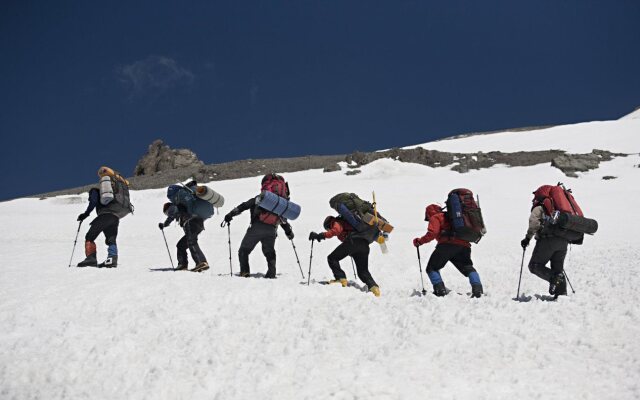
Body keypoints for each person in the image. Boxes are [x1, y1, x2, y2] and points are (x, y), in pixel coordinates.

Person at [223, 174, 294, 278]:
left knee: (244, 250)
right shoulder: (280, 204)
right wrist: (289, 232)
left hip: (256, 227)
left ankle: (245, 272)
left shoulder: (259, 199)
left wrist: (230, 215)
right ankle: (271, 273)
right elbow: (283, 220)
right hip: (272, 229)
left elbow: (244, 206)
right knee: (269, 251)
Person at [413, 204, 483, 298]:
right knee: (467, 267)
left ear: (429, 213)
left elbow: (433, 233)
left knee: (432, 268)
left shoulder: (435, 217)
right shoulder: (452, 217)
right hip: (464, 246)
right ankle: (478, 289)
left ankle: (440, 290)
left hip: (447, 245)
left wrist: (420, 241)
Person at [309, 215, 381, 297]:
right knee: (363, 271)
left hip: (353, 241)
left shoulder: (335, 222)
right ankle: (374, 288)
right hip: (364, 245)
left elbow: (336, 230)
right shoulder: (347, 223)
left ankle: (340, 278)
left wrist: (320, 235)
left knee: (332, 258)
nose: (329, 230)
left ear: (328, 224)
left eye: (328, 228)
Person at [76, 167, 133, 268]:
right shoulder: (117, 190)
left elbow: (93, 202)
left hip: (105, 215)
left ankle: (91, 259)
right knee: (111, 239)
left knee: (90, 236)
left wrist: (85, 215)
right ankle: (112, 259)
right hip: (116, 217)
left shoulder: (95, 191)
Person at [158, 182, 209, 272]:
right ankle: (182, 265)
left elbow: (172, 215)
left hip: (191, 222)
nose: (167, 213)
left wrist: (164, 224)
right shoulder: (183, 204)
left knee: (191, 242)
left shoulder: (175, 206)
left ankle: (201, 262)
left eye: (166, 212)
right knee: (181, 245)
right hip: (198, 223)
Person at [520, 202, 568, 297]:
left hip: (547, 240)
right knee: (558, 268)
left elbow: (534, 222)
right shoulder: (561, 207)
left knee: (534, 265)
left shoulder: (540, 207)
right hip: (564, 241)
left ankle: (555, 278)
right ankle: (561, 294)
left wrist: (527, 238)